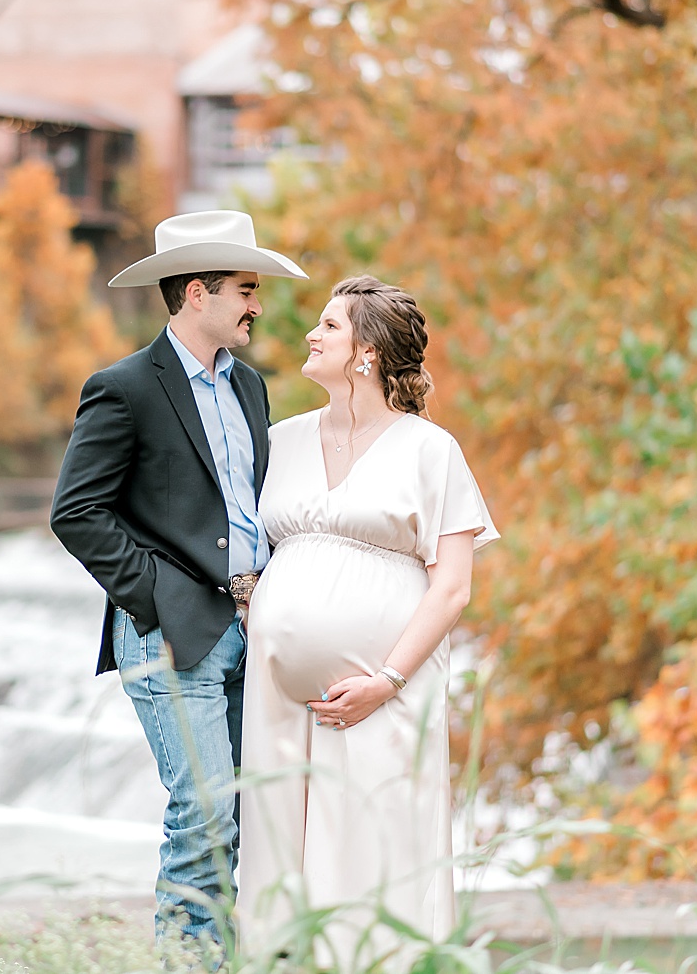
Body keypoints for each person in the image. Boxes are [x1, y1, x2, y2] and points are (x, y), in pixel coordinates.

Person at [51, 210, 308, 946]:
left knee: (244, 821)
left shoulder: (251, 388)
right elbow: (76, 512)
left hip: (250, 638)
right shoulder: (124, 387)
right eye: (246, 290)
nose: (257, 305)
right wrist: (152, 595)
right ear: (199, 292)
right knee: (201, 819)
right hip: (170, 637)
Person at [237, 275, 498, 964]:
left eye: (328, 325)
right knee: (279, 857)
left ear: (367, 353)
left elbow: (452, 591)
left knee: (379, 852)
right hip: (275, 695)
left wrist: (387, 678)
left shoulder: (428, 450)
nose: (309, 335)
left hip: (388, 692)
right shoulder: (280, 442)